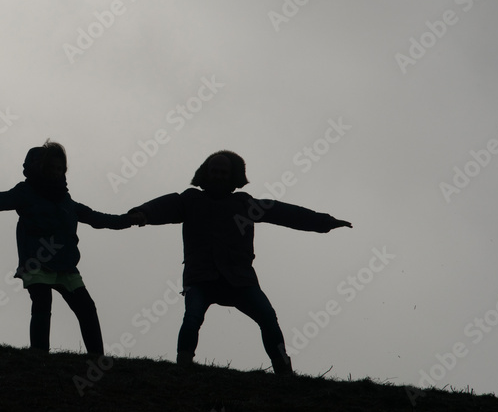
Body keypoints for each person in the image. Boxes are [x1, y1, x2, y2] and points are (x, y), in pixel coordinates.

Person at [128, 150, 351, 375]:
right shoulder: (190, 200)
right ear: (205, 174)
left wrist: (325, 222)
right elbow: (163, 206)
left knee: (267, 316)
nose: (218, 176)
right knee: (192, 316)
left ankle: (284, 371)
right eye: (214, 171)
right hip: (201, 277)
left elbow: (285, 213)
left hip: (239, 279)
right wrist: (141, 214)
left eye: (223, 172)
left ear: (233, 177)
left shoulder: (244, 204)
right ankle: (183, 366)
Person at [0, 140, 140, 355]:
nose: (57, 173)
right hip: (36, 261)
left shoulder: (66, 201)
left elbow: (96, 218)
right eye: (52, 168)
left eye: (60, 169)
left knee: (87, 308)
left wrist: (128, 220)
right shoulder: (26, 192)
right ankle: (39, 355)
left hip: (65, 265)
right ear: (42, 168)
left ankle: (96, 358)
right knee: (42, 303)